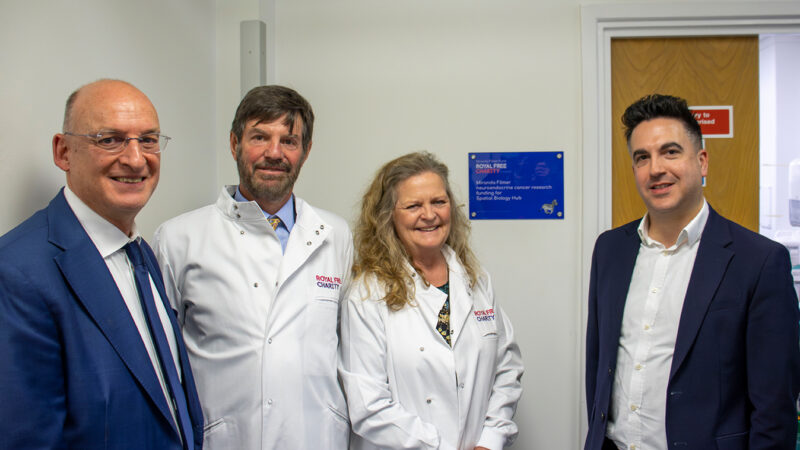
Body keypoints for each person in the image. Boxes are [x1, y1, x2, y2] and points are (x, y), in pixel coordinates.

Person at [584, 94, 800, 450]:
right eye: (642, 157)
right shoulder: (610, 250)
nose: (655, 168)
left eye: (670, 152)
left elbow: (774, 411)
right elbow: (599, 369)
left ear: (702, 162)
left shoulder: (759, 262)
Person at [0, 79, 203, 449]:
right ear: (63, 152)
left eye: (148, 140)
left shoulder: (140, 253)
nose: (136, 159)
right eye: (110, 140)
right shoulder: (17, 273)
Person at [153, 85, 352, 449]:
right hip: (225, 438)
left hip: (316, 437)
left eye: (289, 141)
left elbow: (350, 349)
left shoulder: (335, 235)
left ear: (306, 151)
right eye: (259, 137)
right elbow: (162, 363)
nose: (274, 153)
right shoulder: (179, 238)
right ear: (234, 144)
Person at [340, 151, 524, 450]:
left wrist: (490, 440)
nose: (429, 215)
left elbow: (507, 367)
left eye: (438, 201)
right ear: (388, 216)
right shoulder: (367, 294)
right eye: (413, 205)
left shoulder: (476, 280)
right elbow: (368, 405)